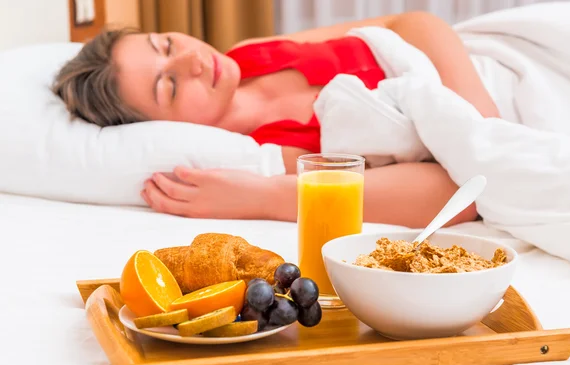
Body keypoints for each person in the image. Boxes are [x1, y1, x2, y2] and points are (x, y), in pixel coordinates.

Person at [52, 11, 500, 228]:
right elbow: (457, 196)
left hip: (495, 62)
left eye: (166, 44)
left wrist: (476, 116)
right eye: (168, 86)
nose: (191, 59)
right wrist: (265, 198)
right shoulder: (272, 150)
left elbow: (410, 23)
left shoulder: (249, 52)